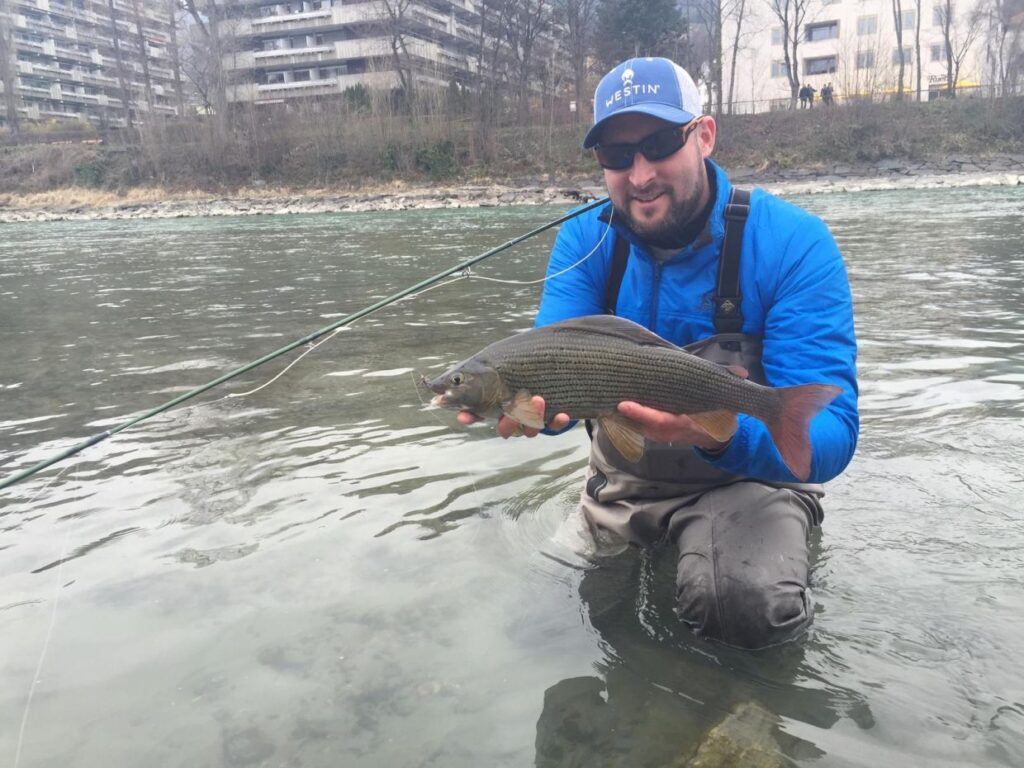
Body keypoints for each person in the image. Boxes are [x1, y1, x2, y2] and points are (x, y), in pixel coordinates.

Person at [459, 57, 858, 650]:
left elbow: (830, 438)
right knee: (539, 635)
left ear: (704, 135)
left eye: (659, 144)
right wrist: (527, 416)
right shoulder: (584, 242)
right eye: (616, 156)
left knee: (745, 610)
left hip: (748, 478)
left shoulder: (793, 243)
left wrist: (719, 434)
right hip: (624, 481)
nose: (639, 174)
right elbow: (547, 376)